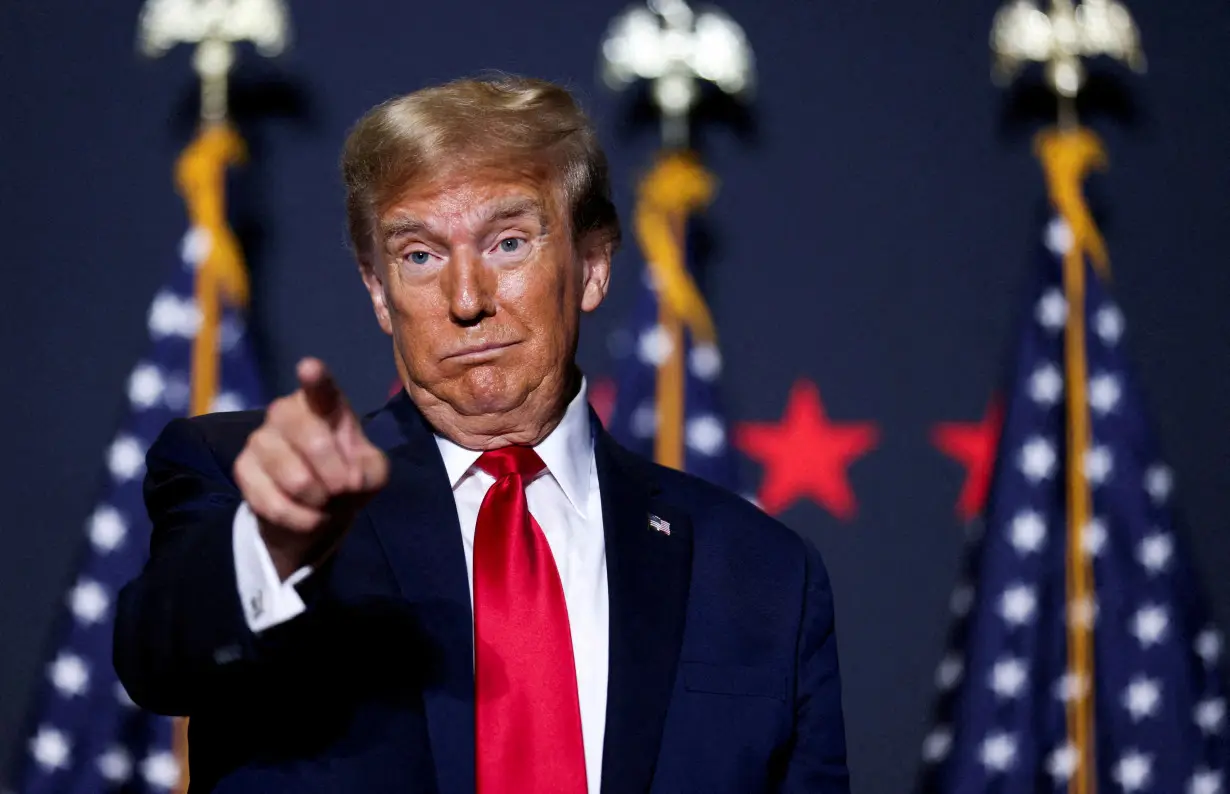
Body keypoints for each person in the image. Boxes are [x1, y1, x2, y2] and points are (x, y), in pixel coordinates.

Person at [114, 74, 850, 794]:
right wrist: (276, 540)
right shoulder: (248, 482)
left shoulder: (761, 573)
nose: (466, 299)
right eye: (420, 255)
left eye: (508, 243)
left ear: (593, 266)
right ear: (378, 292)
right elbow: (157, 658)